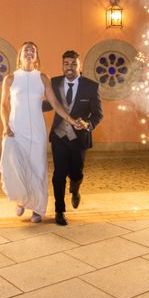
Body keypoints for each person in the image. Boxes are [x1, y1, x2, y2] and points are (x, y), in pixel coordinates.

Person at [0, 42, 81, 223]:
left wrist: (70, 119)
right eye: (26, 50)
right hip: (16, 129)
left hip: (37, 131)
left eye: (33, 50)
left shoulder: (43, 78)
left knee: (38, 168)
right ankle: (21, 200)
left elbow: (55, 104)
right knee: (17, 165)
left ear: (36, 56)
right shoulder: (10, 78)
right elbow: (4, 105)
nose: (29, 52)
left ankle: (37, 209)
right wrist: (6, 126)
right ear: (20, 55)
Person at [45, 50, 103, 226]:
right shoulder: (54, 83)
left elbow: (98, 114)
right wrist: (27, 105)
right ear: (62, 65)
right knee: (59, 174)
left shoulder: (91, 86)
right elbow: (50, 103)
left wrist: (87, 124)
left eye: (73, 64)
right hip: (59, 136)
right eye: (66, 64)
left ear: (80, 65)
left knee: (76, 172)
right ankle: (59, 210)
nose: (69, 67)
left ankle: (75, 188)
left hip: (79, 138)